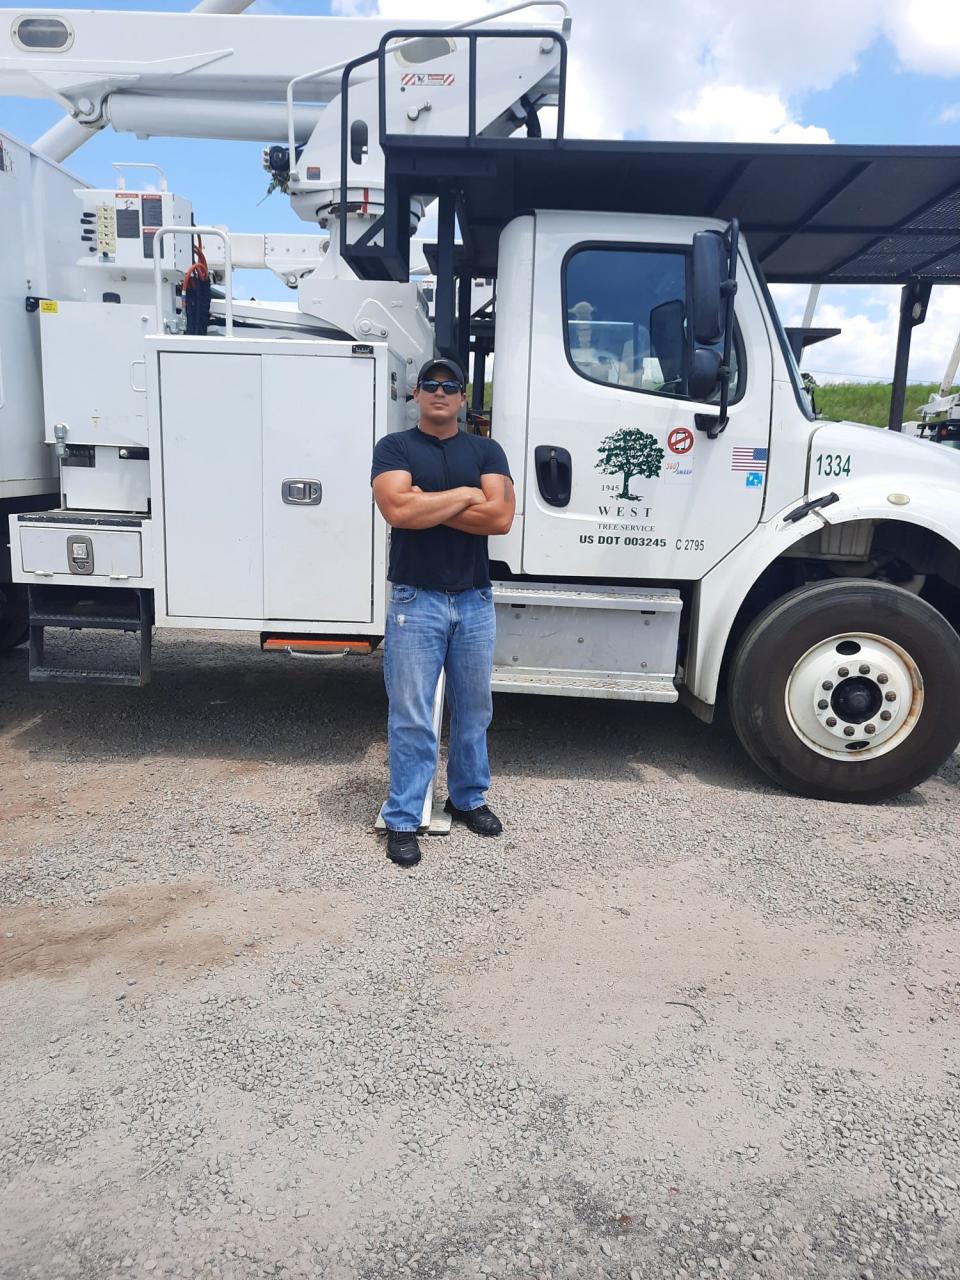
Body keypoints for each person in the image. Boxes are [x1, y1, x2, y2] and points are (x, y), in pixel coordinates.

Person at [371, 357, 516, 868]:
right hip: (416, 599)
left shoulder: (486, 448)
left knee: (474, 709)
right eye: (430, 384)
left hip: (474, 599)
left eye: (449, 385)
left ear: (461, 397)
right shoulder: (395, 447)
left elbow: (499, 518)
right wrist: (462, 495)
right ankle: (405, 817)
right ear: (416, 394)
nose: (439, 391)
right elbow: (397, 511)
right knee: (411, 715)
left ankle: (468, 797)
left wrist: (427, 503)